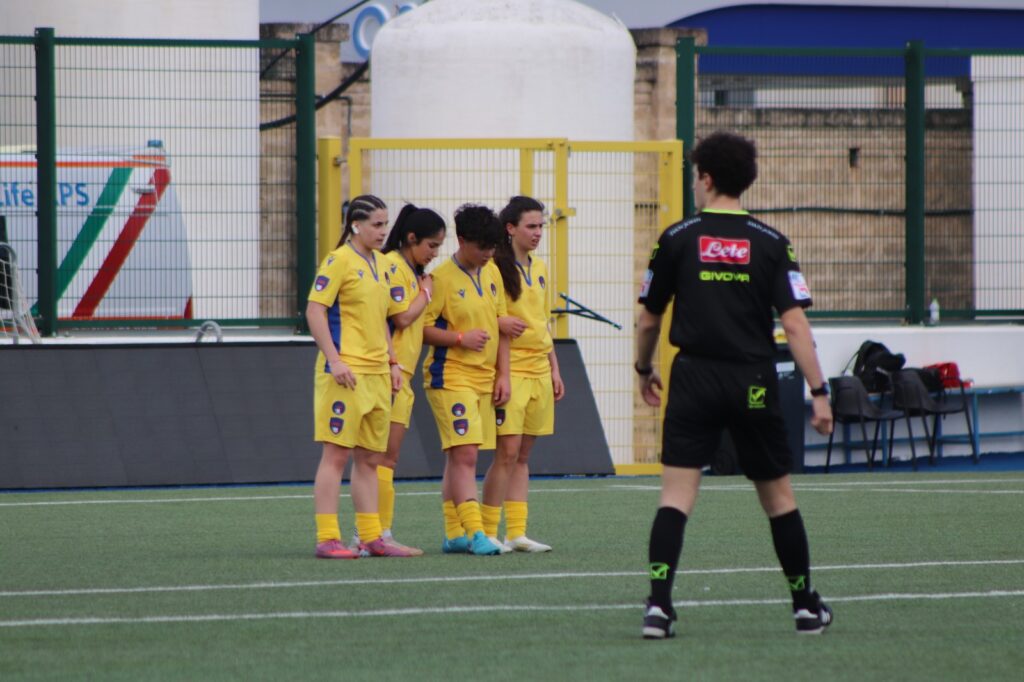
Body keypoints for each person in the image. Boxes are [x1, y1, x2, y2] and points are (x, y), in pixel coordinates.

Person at [635, 132, 835, 638]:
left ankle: (659, 607)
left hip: (693, 377)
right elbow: (795, 326)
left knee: (675, 498)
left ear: (706, 178)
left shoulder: (676, 237)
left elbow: (649, 319)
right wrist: (819, 392)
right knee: (779, 499)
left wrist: (643, 368)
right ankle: (804, 606)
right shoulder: (771, 242)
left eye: (694, 177)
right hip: (754, 379)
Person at [306, 194, 416, 559]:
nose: (383, 231)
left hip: (377, 375)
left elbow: (383, 319)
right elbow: (315, 311)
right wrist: (335, 360)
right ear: (356, 225)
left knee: (370, 458)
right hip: (346, 374)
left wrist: (392, 362)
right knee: (336, 455)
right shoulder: (338, 260)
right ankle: (327, 538)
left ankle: (371, 536)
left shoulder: (383, 264)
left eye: (386, 224)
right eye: (377, 224)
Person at [421, 204, 510, 556]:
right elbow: (422, 329)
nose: (489, 254)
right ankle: (476, 533)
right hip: (450, 376)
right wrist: (460, 338)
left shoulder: (493, 273)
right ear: (461, 240)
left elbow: (501, 327)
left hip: (484, 378)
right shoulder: (440, 279)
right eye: (483, 247)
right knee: (466, 455)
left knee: (459, 456)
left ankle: (453, 533)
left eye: (493, 247)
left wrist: (503, 374)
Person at [483, 196, 564, 552]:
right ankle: (487, 531)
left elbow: (543, 322)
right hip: (511, 369)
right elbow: (486, 315)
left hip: (539, 371)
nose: (538, 233)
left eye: (541, 226)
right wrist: (499, 325)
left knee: (524, 455)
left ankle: (516, 533)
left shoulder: (541, 267)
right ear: (510, 228)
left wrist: (555, 368)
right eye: (531, 226)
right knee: (507, 452)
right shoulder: (494, 268)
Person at [373, 204, 447, 556]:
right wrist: (426, 293)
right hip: (388, 373)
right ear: (411, 238)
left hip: (402, 375)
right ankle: (374, 533)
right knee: (380, 459)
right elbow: (402, 317)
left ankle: (376, 533)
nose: (434, 254)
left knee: (386, 459)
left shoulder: (411, 271)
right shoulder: (393, 266)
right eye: (431, 246)